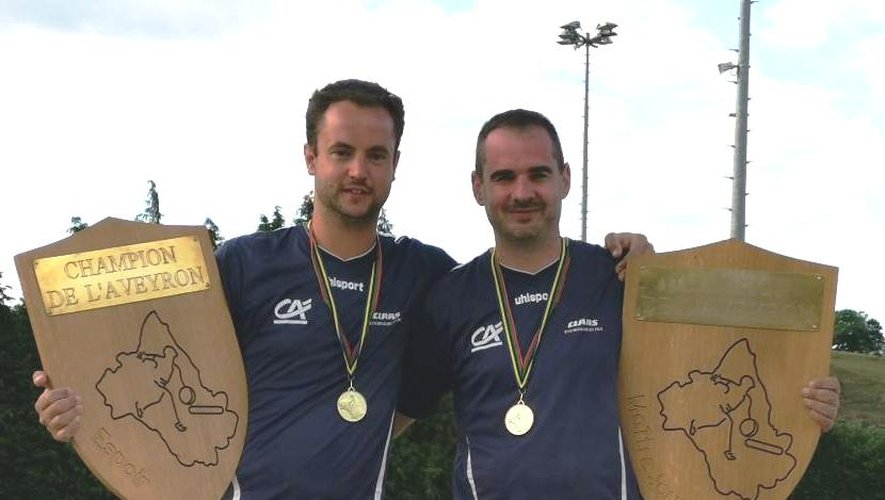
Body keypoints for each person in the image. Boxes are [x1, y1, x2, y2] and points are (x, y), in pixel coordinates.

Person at [32, 80, 654, 499]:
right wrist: (75, 403)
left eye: (376, 155)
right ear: (311, 157)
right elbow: (148, 351)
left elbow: (409, 400)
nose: (359, 170)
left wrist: (635, 255)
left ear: (394, 165)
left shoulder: (427, 276)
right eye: (342, 152)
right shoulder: (243, 264)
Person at [396, 109, 841, 499]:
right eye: (503, 177)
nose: (522, 192)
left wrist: (804, 402)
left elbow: (720, 370)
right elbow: (398, 411)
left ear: (565, 178)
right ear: (478, 187)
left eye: (538, 174)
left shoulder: (619, 277)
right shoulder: (450, 298)